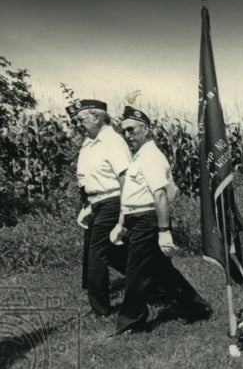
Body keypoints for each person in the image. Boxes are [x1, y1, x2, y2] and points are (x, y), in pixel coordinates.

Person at [112, 106, 212, 334]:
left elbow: (159, 195)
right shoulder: (139, 157)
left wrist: (164, 230)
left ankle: (132, 322)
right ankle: (197, 308)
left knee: (135, 272)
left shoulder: (152, 157)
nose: (127, 135)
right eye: (124, 131)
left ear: (145, 129)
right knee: (163, 271)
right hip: (136, 218)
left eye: (131, 130)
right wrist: (121, 223)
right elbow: (131, 194)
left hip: (148, 220)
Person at [70, 99, 130, 317]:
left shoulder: (112, 141)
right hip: (95, 203)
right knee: (112, 253)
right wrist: (87, 205)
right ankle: (152, 282)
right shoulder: (89, 142)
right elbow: (87, 179)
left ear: (96, 117)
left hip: (113, 201)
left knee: (97, 253)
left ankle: (100, 309)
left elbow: (124, 176)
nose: (78, 123)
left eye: (81, 119)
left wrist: (124, 210)